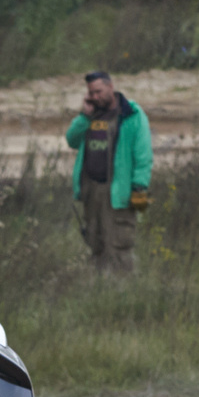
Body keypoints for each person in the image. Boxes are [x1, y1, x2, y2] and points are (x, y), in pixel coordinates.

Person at [64, 70, 153, 271]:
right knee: (95, 242)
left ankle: (125, 290)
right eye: (91, 93)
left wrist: (139, 188)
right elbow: (72, 140)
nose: (95, 97)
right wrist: (84, 115)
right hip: (91, 191)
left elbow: (144, 156)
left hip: (120, 192)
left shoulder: (132, 115)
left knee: (120, 243)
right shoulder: (90, 115)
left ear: (111, 87)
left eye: (99, 91)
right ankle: (100, 290)